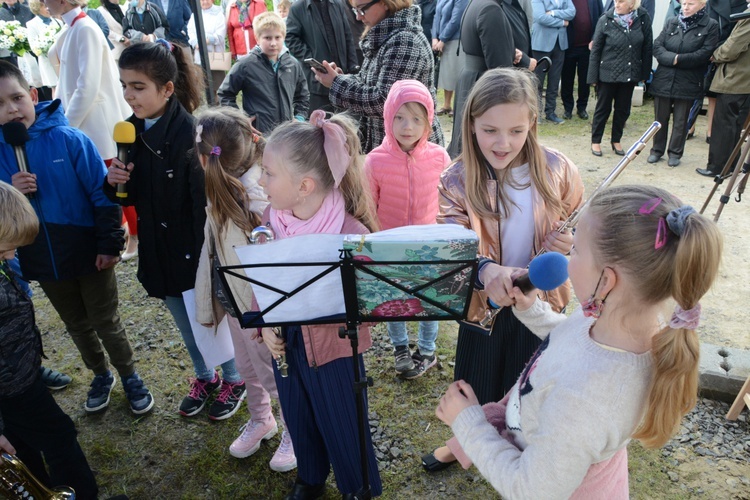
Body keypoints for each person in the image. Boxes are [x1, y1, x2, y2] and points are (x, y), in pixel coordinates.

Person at [435, 184, 723, 498]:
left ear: (607, 281)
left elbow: (529, 489)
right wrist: (532, 309)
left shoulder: (584, 402)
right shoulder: (619, 321)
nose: (567, 258)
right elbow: (571, 340)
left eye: (575, 250)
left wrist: (468, 422)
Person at [421, 67, 584, 472]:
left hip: (540, 308)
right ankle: (462, 445)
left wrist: (572, 243)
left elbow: (583, 229)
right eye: (490, 130)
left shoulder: (559, 169)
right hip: (483, 308)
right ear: (470, 122)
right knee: (475, 390)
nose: (503, 142)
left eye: (515, 130)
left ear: (531, 122)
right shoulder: (455, 179)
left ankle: (522, 461)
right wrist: (486, 270)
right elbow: (453, 250)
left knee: (528, 395)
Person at [0, 61, 154, 415]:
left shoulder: (69, 140)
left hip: (88, 252)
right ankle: (100, 374)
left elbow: (103, 195)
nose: (10, 110)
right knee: (76, 324)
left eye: (17, 98)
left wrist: (109, 244)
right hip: (39, 257)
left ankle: (129, 375)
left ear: (33, 95)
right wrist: (11, 191)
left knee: (105, 320)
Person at [105, 41, 247, 421]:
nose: (129, 95)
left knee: (207, 319)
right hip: (157, 249)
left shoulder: (190, 134)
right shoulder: (129, 132)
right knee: (184, 325)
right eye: (124, 85)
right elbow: (128, 195)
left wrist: (204, 256)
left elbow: (203, 203)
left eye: (138, 86)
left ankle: (235, 378)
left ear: (167, 88)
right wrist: (114, 180)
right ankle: (205, 376)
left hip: (190, 250)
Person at [257, 110, 382, 498]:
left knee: (343, 420)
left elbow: (373, 299)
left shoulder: (350, 233)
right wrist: (266, 325)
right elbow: (261, 279)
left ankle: (356, 486)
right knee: (298, 412)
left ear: (305, 185)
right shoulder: (270, 217)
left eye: (269, 173)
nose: (260, 181)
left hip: (335, 348)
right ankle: (310, 477)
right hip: (287, 342)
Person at [193, 107, 297, 471]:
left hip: (259, 307)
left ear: (206, 157)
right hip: (234, 300)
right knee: (246, 369)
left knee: (273, 372)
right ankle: (261, 418)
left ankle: (293, 429)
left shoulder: (261, 195)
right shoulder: (219, 182)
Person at [0, 181, 99, 500]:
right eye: (4, 249)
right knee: (59, 436)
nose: (12, 255)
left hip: (21, 376)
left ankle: (39, 490)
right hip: (14, 388)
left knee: (20, 443)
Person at [364, 79, 450, 379]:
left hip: (429, 246)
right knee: (394, 297)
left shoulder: (439, 157)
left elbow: (449, 201)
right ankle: (400, 346)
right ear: (388, 118)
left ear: (429, 120)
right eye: (399, 117)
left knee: (430, 299)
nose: (407, 126)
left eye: (416, 118)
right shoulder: (375, 160)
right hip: (390, 246)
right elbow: (367, 208)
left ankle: (427, 348)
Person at [315, 0, 445, 153]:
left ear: (385, 3)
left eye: (362, 10)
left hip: (411, 151)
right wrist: (342, 79)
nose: (358, 17)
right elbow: (369, 81)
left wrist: (336, 84)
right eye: (355, 11)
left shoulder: (403, 41)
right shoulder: (389, 36)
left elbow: (383, 101)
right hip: (397, 145)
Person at [45, 0, 131, 162]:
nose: (42, 2)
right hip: (83, 123)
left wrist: (67, 126)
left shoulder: (85, 28)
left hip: (95, 125)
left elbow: (87, 86)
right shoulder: (72, 26)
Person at [647, 0, 718, 168]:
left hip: (689, 80)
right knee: (660, 118)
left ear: (702, 5)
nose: (685, 7)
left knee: (681, 120)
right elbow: (657, 46)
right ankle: (656, 150)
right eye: (684, 3)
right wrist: (673, 58)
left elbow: (704, 53)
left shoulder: (710, 25)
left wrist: (680, 59)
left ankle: (675, 153)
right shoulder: (672, 21)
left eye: (690, 4)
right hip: (665, 78)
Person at [219, 12, 310, 135]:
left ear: (284, 37)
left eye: (277, 37)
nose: (273, 43)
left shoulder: (293, 64)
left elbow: (303, 96)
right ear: (257, 38)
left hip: (287, 134)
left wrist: (299, 118)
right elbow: (225, 94)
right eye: (267, 38)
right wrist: (240, 120)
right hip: (259, 135)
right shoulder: (245, 65)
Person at [446, 0, 515, 158]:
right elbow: (500, 68)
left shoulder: (477, 3)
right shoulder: (491, 9)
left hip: (472, 79)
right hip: (483, 84)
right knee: (477, 152)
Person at [587, 0, 652, 157]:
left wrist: (644, 74)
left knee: (623, 109)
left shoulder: (642, 18)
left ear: (632, 4)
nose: (617, 4)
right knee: (603, 108)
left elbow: (647, 47)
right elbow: (596, 50)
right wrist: (593, 77)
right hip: (607, 73)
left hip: (629, 73)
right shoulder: (605, 19)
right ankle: (596, 141)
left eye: (621, 1)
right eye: (615, 0)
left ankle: (616, 140)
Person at [696, 5, 750, 177]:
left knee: (723, 126)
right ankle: (731, 165)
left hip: (736, 80)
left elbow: (732, 49)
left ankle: (717, 167)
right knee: (734, 127)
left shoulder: (748, 20)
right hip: (743, 81)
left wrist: (716, 54)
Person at [284, 0, 358, 112]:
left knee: (345, 125)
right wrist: (312, 59)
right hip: (317, 81)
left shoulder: (337, 4)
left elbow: (348, 36)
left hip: (342, 76)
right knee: (320, 124)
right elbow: (290, 38)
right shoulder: (298, 7)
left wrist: (353, 66)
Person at [531, 0, 576, 125]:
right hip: (541, 43)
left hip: (560, 44)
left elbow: (572, 13)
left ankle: (550, 112)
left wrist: (553, 12)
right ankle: (537, 112)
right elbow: (540, 17)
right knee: (537, 80)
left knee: (554, 81)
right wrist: (562, 22)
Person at [559, 0, 602, 120]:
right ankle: (568, 108)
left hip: (587, 47)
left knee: (585, 80)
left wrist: (595, 38)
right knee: (567, 78)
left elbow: (600, 18)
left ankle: (582, 108)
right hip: (569, 46)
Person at [431, 0, 468, 117]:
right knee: (447, 73)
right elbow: (436, 17)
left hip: (456, 39)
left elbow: (456, 20)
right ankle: (446, 105)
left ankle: (458, 106)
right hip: (442, 40)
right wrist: (434, 38)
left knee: (456, 72)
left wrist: (442, 39)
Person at [188, 0, 227, 103]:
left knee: (218, 85)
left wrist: (205, 40)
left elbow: (220, 34)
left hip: (215, 56)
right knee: (205, 85)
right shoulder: (194, 14)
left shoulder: (218, 13)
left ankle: (221, 106)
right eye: (202, 0)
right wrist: (196, 42)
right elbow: (191, 31)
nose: (204, 2)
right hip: (200, 55)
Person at [26, 0, 61, 101]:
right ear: (37, 8)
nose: (47, 8)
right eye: (43, 6)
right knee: (55, 88)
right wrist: (45, 44)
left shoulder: (57, 21)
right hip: (47, 62)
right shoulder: (31, 24)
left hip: (61, 60)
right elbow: (33, 47)